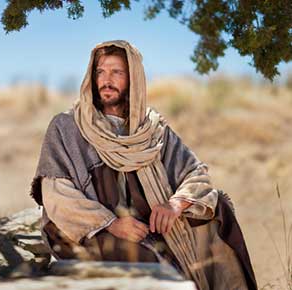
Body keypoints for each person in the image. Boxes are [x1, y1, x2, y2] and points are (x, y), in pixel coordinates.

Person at [30, 40, 257, 290]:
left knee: (218, 210)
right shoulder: (66, 127)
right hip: (93, 231)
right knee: (150, 261)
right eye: (100, 72)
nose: (106, 80)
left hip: (148, 224)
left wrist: (175, 205)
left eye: (117, 72)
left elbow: (196, 173)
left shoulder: (152, 129)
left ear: (134, 78)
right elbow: (56, 196)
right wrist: (112, 223)